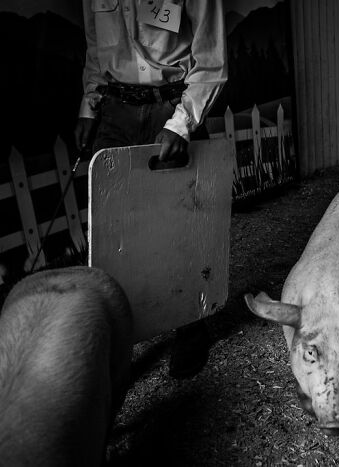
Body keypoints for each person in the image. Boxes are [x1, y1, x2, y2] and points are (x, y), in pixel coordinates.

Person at [75, 0, 227, 377]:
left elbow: (212, 59)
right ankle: (116, 338)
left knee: (181, 223)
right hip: (115, 109)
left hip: (172, 105)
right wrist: (88, 107)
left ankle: (190, 325)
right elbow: (96, 49)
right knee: (113, 229)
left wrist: (182, 124)